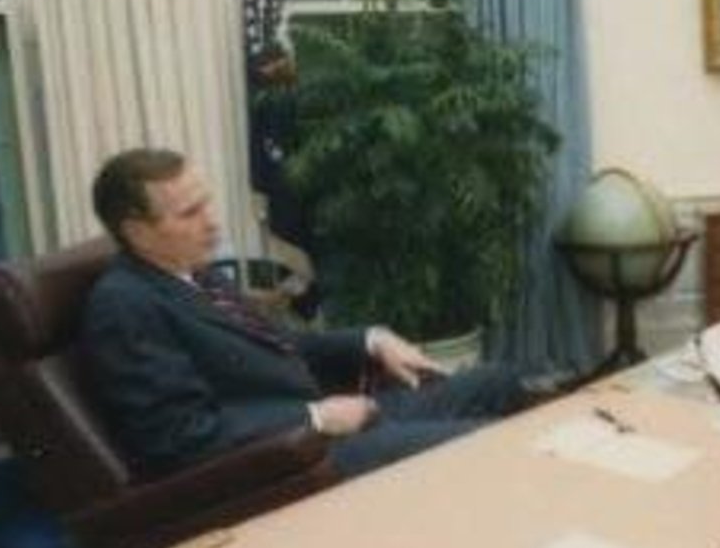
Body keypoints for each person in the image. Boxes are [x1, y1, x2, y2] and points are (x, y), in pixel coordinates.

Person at [79, 148, 529, 480]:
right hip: (292, 456)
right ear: (137, 231)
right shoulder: (124, 306)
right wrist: (315, 418)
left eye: (207, 203)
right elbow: (179, 437)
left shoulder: (190, 273)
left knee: (499, 381)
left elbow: (279, 343)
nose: (212, 222)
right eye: (190, 213)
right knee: (490, 444)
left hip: (333, 418)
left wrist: (370, 339)